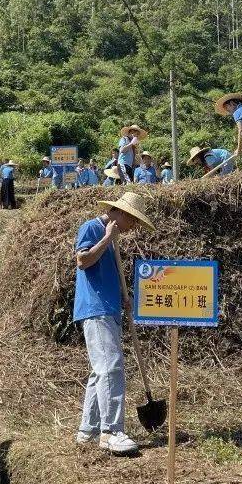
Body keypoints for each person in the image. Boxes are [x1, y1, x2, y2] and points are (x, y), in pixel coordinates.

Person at [74, 191, 155, 455]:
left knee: (101, 370)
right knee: (111, 367)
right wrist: (107, 238)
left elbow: (108, 273)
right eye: (132, 220)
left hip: (109, 307)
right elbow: (82, 261)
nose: (133, 227)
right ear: (119, 213)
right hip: (95, 309)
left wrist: (123, 296)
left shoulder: (114, 238)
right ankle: (111, 431)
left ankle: (89, 429)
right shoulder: (92, 228)